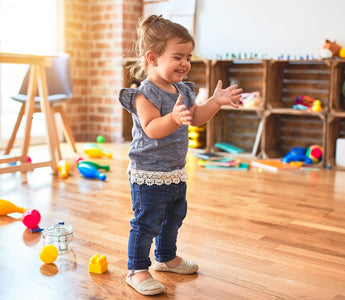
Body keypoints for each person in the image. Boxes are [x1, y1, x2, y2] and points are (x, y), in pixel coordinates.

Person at [119, 15, 242, 296]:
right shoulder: (143, 95)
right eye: (177, 56)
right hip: (148, 172)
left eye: (188, 57)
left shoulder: (183, 90)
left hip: (174, 170)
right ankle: (136, 269)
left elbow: (196, 118)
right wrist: (173, 118)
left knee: (173, 217)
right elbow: (151, 129)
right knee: (146, 222)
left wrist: (214, 102)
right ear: (152, 58)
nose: (185, 63)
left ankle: (166, 257)